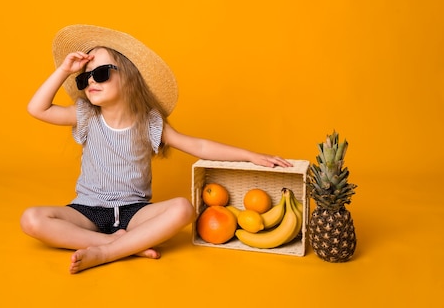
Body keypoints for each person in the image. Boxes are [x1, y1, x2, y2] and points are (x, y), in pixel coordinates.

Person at [21, 25, 292, 274]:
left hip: (135, 212)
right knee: (31, 219)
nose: (91, 81)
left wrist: (250, 156)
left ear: (129, 78)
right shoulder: (85, 115)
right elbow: (37, 108)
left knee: (184, 209)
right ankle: (119, 244)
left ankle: (108, 251)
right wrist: (65, 71)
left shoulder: (149, 121)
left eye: (101, 73)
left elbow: (197, 145)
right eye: (85, 78)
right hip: (88, 209)